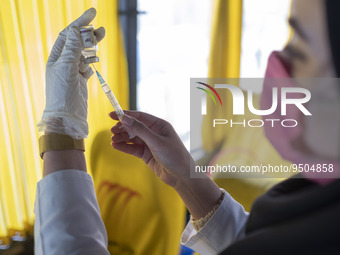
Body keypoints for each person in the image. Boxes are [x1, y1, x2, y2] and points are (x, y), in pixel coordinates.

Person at [34, 1, 340, 254]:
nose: (275, 66)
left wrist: (62, 130)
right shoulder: (319, 207)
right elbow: (257, 240)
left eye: (299, 49)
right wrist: (185, 177)